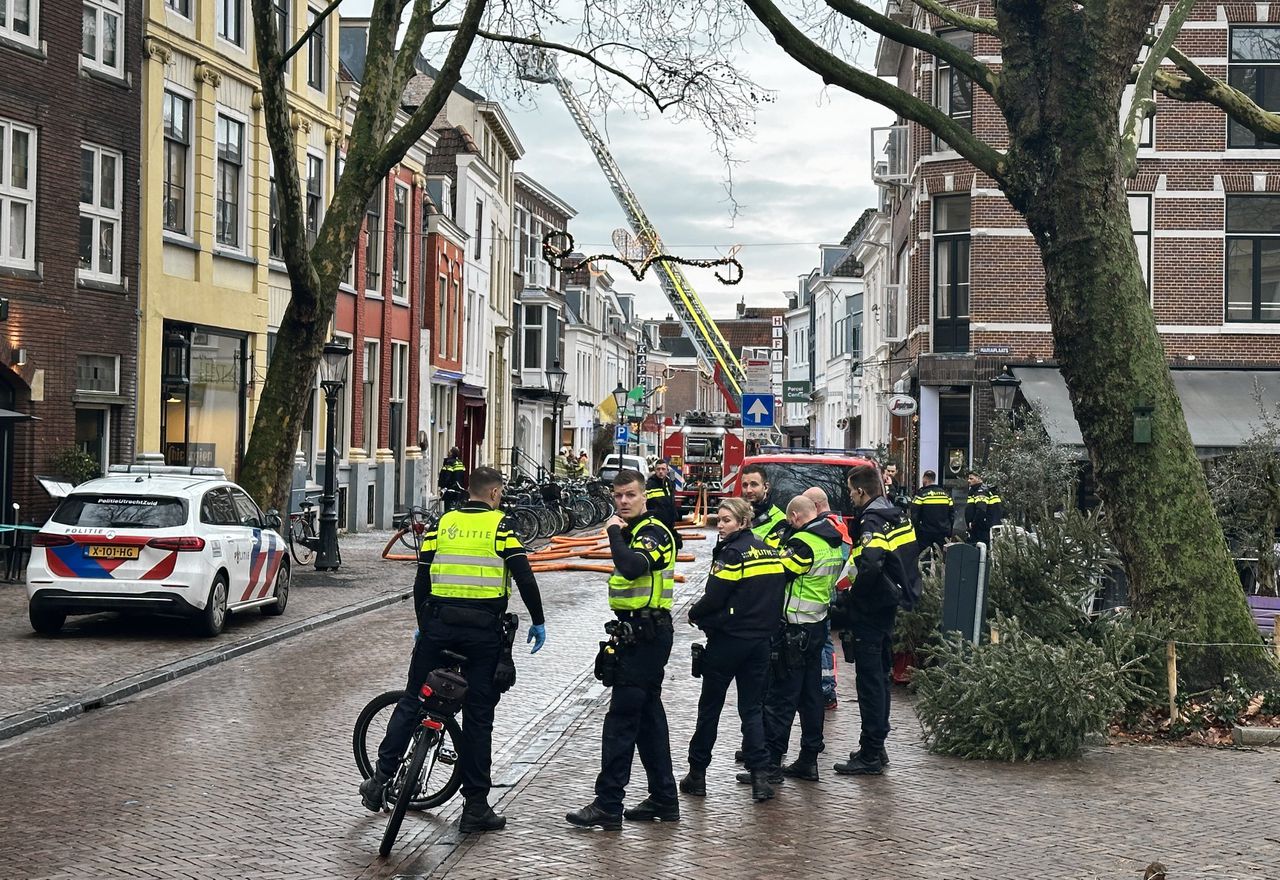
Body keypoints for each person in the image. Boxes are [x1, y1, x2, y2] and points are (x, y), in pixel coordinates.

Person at [360, 467, 547, 833]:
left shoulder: (441, 525)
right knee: (478, 718)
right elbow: (524, 577)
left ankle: (379, 780)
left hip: (440, 627)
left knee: (413, 699)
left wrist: (424, 625)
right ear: (494, 494)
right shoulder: (502, 527)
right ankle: (475, 807)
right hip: (482, 634)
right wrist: (538, 621)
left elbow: (421, 579)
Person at [566, 470, 679, 830]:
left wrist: (613, 531)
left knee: (621, 721)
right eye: (618, 496)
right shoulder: (635, 532)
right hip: (636, 633)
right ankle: (664, 798)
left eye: (630, 495)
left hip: (647, 638)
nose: (624, 502)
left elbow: (631, 567)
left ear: (644, 496)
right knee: (648, 722)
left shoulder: (654, 532)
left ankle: (608, 804)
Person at [682, 498, 786, 804]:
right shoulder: (769, 550)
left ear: (742, 522)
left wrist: (694, 613)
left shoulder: (731, 554)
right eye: (720, 519)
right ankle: (760, 779)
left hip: (728, 641)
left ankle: (697, 775)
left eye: (727, 520)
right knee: (752, 710)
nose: (721, 524)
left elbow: (715, 597)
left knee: (710, 708)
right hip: (760, 643)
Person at [832, 464, 921, 777]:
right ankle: (875, 746)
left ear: (861, 490)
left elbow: (870, 565)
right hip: (889, 605)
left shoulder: (872, 519)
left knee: (870, 681)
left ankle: (871, 752)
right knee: (880, 676)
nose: (850, 497)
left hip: (871, 609)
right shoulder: (896, 515)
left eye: (851, 491)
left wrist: (852, 597)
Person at [752, 495, 844, 784]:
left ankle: (771, 766)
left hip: (795, 629)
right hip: (816, 625)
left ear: (794, 517)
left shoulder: (802, 544)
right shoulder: (830, 540)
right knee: (810, 696)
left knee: (781, 698)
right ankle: (808, 759)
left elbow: (775, 574)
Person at [802, 487, 850, 711]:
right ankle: (826, 689)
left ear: (816, 506)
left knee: (823, 645)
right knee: (826, 644)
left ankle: (825, 690)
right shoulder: (839, 523)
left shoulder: (826, 527)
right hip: (829, 593)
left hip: (820, 594)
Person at [740, 463, 787, 548]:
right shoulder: (737, 514)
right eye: (745, 485)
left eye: (754, 484)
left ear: (766, 487)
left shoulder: (780, 520)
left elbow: (773, 554)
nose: (748, 490)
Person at [910, 469, 955, 554]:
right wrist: (949, 531)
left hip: (925, 533)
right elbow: (952, 515)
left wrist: (916, 531)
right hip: (943, 532)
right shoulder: (946, 495)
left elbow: (914, 515)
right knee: (940, 556)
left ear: (925, 479)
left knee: (924, 556)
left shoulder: (921, 495)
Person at [964, 469, 1004, 546]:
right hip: (987, 529)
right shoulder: (988, 491)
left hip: (981, 531)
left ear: (979, 479)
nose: (969, 481)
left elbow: (981, 510)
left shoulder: (980, 491)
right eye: (968, 479)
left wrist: (973, 524)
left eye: (971, 478)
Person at [645, 460, 679, 537]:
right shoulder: (650, 485)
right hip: (656, 524)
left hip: (669, 522)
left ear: (667, 471)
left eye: (663, 469)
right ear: (655, 470)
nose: (661, 471)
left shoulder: (668, 482)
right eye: (658, 469)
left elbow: (671, 500)